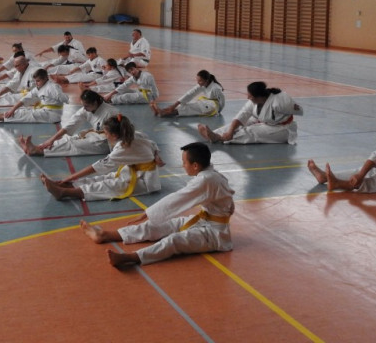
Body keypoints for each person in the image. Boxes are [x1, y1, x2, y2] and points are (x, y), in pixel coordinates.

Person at [80, 141, 235, 268]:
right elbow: (228, 196)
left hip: (215, 235)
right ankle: (105, 235)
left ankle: (131, 257)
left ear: (195, 165)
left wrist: (148, 212)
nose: (183, 166)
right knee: (157, 225)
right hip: (203, 221)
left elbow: (178, 198)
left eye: (184, 162)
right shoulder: (212, 175)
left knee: (174, 240)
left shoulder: (206, 179)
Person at [40, 114, 164, 201]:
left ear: (114, 135)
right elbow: (152, 143)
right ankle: (65, 185)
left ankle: (64, 192)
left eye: (106, 133)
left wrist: (70, 176)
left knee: (108, 185)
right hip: (133, 171)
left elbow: (96, 167)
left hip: (144, 181)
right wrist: (156, 154)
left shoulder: (123, 148)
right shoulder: (134, 134)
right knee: (104, 178)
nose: (105, 135)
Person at [198, 81, 302, 144]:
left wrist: (291, 108)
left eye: (250, 96)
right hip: (263, 120)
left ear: (259, 96)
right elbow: (242, 115)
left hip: (282, 129)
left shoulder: (280, 101)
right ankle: (215, 133)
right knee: (238, 124)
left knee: (251, 131)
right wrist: (230, 131)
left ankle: (219, 138)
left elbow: (298, 110)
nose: (248, 97)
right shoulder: (254, 101)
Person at [20, 89, 117, 156]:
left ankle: (39, 151)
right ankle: (38, 147)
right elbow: (71, 124)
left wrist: (116, 152)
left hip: (105, 143)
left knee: (74, 144)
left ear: (95, 103)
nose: (84, 108)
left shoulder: (110, 113)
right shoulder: (87, 109)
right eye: (83, 106)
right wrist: (51, 140)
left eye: (86, 106)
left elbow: (118, 135)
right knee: (69, 138)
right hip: (95, 135)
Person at [0, 69, 68, 123]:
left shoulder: (53, 88)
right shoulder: (39, 87)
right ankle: (1, 115)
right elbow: (25, 99)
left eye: (38, 81)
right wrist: (12, 109)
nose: (36, 83)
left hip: (53, 115)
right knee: (23, 110)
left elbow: (66, 99)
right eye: (35, 81)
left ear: (45, 78)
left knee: (27, 114)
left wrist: (68, 114)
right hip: (45, 111)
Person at [151, 70, 225, 118]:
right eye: (197, 80)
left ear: (207, 80)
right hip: (206, 102)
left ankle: (164, 113)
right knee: (185, 104)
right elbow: (190, 93)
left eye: (200, 81)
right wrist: (175, 105)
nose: (198, 83)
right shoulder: (202, 85)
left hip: (213, 106)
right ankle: (164, 110)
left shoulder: (216, 88)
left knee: (190, 108)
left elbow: (222, 101)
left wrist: (218, 111)